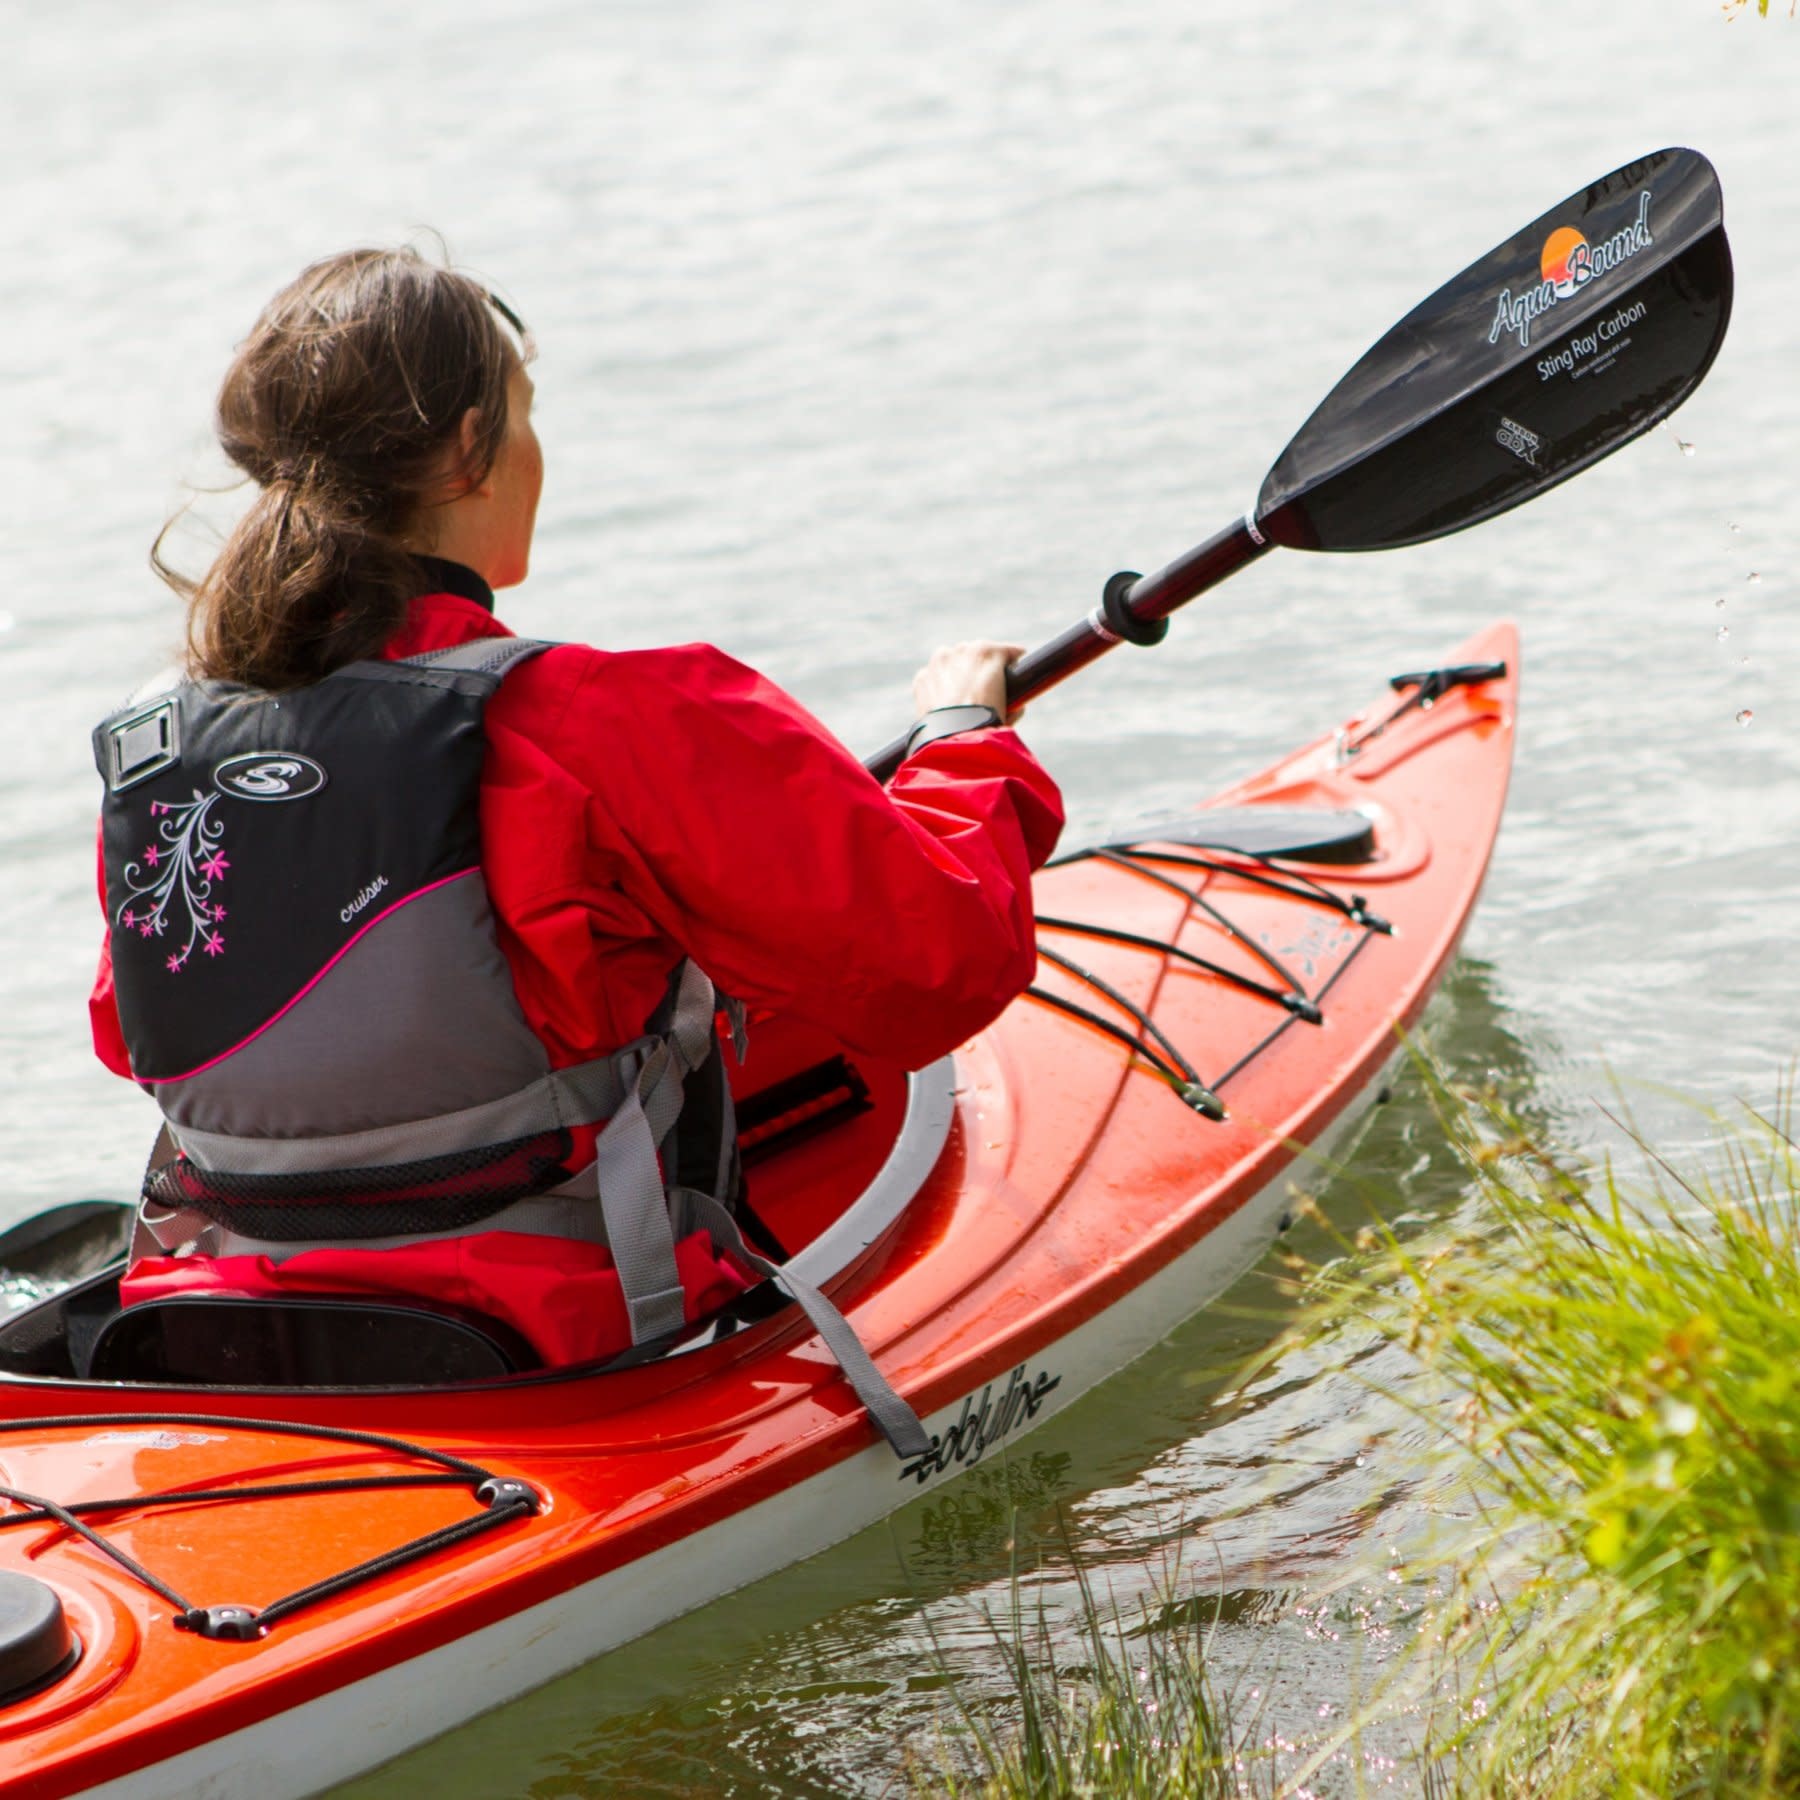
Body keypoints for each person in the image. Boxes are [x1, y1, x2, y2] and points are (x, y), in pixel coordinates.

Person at [86, 246, 1063, 1374]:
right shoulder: (601, 714)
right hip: (559, 1352)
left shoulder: (155, 746)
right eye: (523, 414)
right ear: (467, 449)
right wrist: (962, 743)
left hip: (221, 1334)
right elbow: (944, 958)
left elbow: (138, 1031)